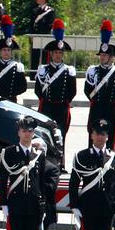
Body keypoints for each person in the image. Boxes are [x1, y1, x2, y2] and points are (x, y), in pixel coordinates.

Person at [0, 117, 46, 230]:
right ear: (19, 132)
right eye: (25, 130)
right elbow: (2, 179)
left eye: (31, 131)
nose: (28, 133)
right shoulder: (9, 152)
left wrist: (43, 203)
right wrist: (4, 204)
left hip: (33, 205)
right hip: (16, 204)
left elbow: (40, 180)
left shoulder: (38, 154)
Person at [35, 23, 76, 151]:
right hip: (47, 105)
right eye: (56, 52)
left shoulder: (69, 70)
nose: (58, 55)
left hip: (62, 107)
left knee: (61, 134)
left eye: (60, 52)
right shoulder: (43, 69)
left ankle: (61, 161)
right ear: (51, 54)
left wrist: (64, 101)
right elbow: (38, 90)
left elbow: (72, 91)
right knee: (45, 133)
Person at [85, 22, 115, 145]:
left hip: (110, 107)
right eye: (101, 55)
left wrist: (109, 100)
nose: (102, 57)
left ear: (111, 57)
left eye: (105, 55)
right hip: (96, 107)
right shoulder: (93, 70)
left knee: (110, 137)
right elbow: (87, 90)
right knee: (93, 136)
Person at [0, 21, 27, 102]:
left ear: (11, 51)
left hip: (11, 100)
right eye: (4, 50)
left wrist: (10, 94)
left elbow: (23, 87)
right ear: (0, 51)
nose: (6, 52)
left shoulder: (18, 66)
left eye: (8, 50)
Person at [29, 0, 55, 66]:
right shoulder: (35, 10)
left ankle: (44, 74)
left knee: (45, 57)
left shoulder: (50, 11)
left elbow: (50, 25)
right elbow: (31, 24)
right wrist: (32, 35)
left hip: (45, 37)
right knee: (34, 56)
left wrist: (41, 34)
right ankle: (33, 75)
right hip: (35, 37)